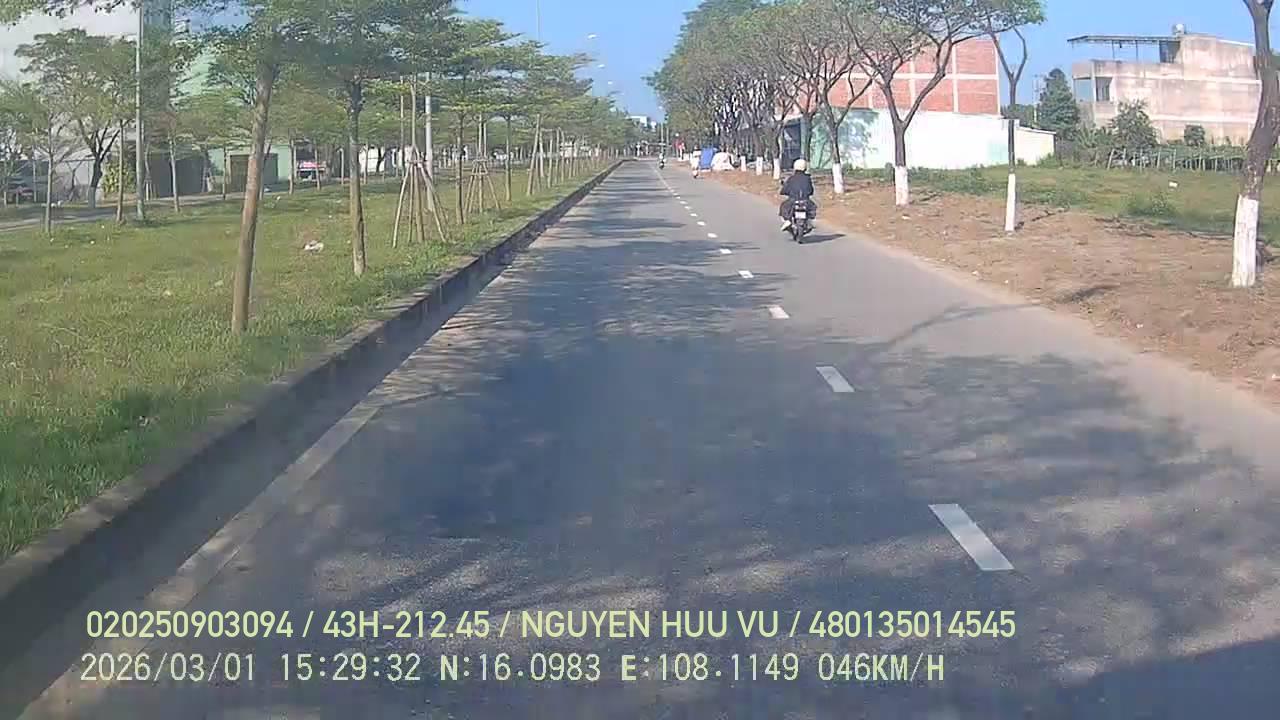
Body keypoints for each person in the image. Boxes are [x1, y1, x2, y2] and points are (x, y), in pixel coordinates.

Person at [779, 159, 817, 231]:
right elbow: (811, 190)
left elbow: (785, 189)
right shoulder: (807, 178)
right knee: (812, 207)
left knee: (783, 206)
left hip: (793, 201)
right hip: (806, 201)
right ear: (805, 167)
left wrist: (783, 191)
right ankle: (809, 222)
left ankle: (788, 220)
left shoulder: (791, 178)